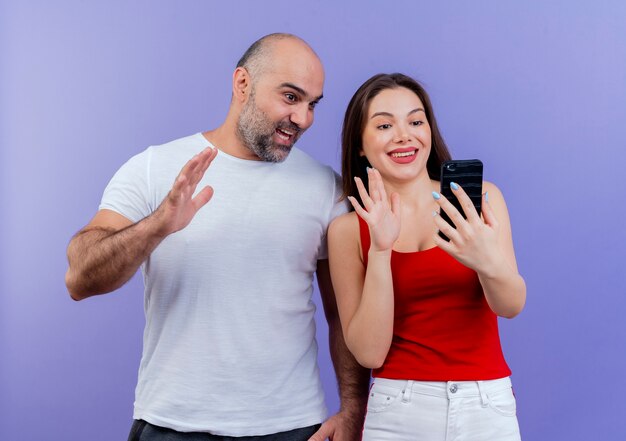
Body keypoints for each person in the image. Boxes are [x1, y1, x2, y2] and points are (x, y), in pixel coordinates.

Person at [65, 33, 370, 441]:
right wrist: (158, 225)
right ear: (242, 83)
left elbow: (342, 316)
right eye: (290, 97)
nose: (304, 118)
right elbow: (80, 278)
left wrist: (354, 410)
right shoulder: (156, 168)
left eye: (312, 104)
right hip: (172, 426)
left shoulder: (323, 188)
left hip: (292, 428)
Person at [328, 73, 526, 440]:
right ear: (360, 144)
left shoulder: (482, 201)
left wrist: (484, 258)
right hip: (397, 410)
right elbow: (370, 353)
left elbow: (511, 305)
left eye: (416, 121)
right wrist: (381, 250)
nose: (404, 135)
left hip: (486, 406)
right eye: (385, 125)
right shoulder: (346, 232)